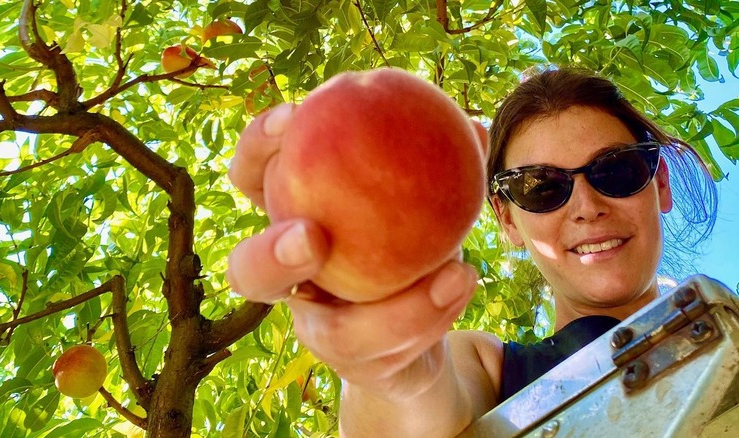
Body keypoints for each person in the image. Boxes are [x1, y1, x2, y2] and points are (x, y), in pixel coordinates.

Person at [226, 67, 717, 437]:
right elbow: (419, 408)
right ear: (508, 220)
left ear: (660, 184)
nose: (587, 208)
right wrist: (390, 370)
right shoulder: (489, 366)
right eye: (541, 187)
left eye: (616, 170)